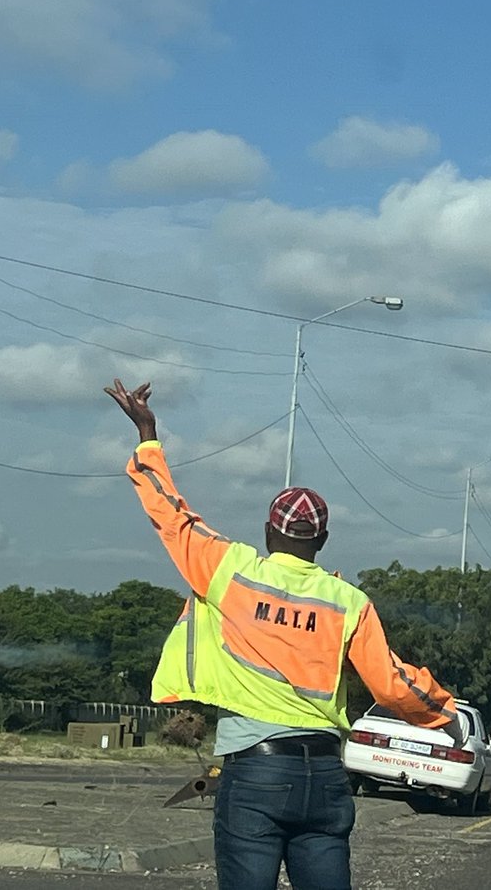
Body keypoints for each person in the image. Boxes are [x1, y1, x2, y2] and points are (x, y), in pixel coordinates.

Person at [105, 378, 462, 890]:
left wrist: (147, 436)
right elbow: (392, 684)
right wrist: (441, 714)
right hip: (324, 779)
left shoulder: (229, 569)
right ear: (322, 540)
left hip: (255, 774)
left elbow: (171, 515)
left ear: (270, 532)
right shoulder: (348, 602)